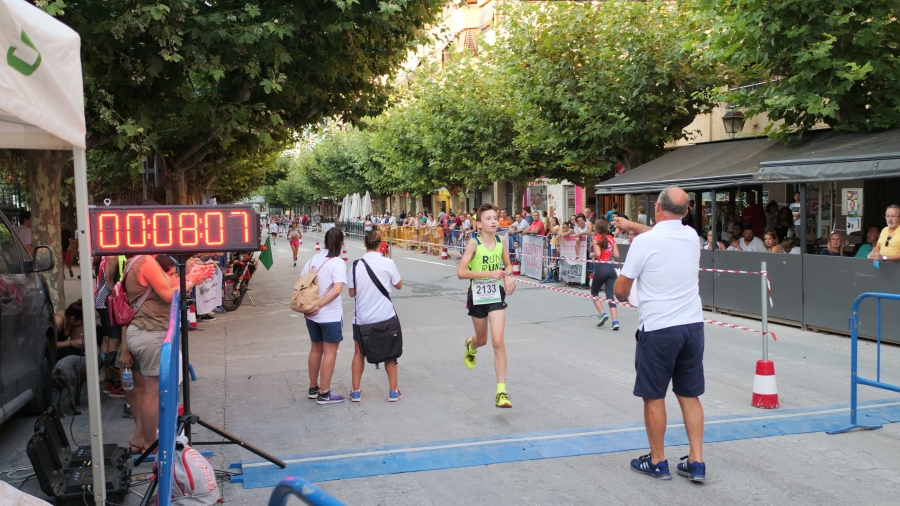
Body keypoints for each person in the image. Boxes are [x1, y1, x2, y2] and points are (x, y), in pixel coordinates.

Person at [612, 185, 707, 482]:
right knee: (689, 394)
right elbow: (664, 230)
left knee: (654, 396)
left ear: (657, 207)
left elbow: (620, 290)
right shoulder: (692, 237)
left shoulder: (644, 243)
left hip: (659, 328)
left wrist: (627, 297)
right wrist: (632, 226)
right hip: (693, 326)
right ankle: (696, 461)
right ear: (687, 211)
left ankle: (657, 461)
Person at [120, 253, 214, 454]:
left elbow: (167, 283)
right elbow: (168, 294)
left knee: (146, 389)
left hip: (140, 332)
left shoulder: (133, 262)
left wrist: (193, 276)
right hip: (150, 332)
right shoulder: (146, 261)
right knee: (152, 391)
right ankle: (151, 444)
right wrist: (190, 281)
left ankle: (139, 440)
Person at [459, 203, 517, 408]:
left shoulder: (501, 240)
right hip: (476, 295)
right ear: (479, 223)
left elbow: (508, 264)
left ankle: (501, 392)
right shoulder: (473, 244)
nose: (494, 221)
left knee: (498, 340)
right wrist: (488, 273)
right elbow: (461, 272)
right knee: (482, 340)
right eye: (489, 218)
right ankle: (471, 345)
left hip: (495, 295)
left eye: (496, 217)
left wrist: (508, 275)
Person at [348, 231, 403, 402]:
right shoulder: (388, 262)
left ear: (364, 244)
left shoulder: (356, 265)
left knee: (359, 352)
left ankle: (356, 391)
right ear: (381, 244)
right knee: (390, 353)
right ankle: (393, 391)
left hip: (362, 318)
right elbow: (399, 285)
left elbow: (352, 292)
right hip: (386, 316)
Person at [301, 227, 348, 404]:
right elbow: (337, 291)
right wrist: (319, 305)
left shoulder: (313, 259)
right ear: (340, 243)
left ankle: (313, 388)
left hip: (312, 316)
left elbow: (303, 281)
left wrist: (311, 307)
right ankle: (324, 392)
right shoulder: (338, 262)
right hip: (330, 316)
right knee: (330, 352)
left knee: (315, 349)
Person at [590, 220, 620, 330]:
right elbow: (617, 254)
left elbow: (597, 253)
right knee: (610, 295)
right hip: (611, 268)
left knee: (594, 292)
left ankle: (602, 313)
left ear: (596, 229)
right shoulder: (611, 239)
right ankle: (615, 321)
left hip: (601, 267)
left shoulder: (595, 238)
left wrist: (591, 255)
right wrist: (609, 251)